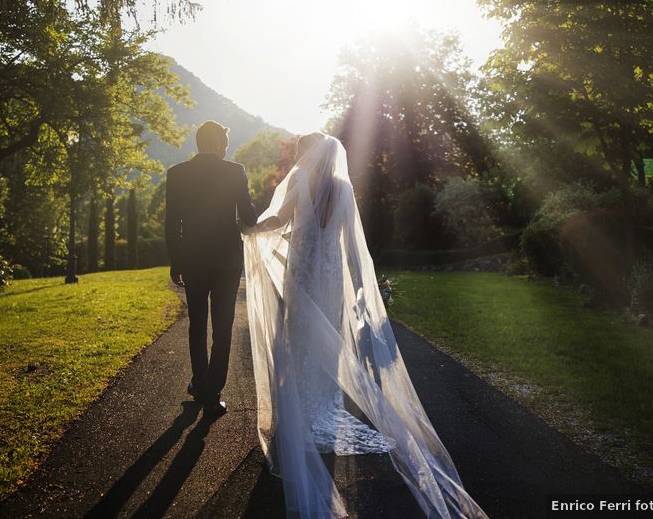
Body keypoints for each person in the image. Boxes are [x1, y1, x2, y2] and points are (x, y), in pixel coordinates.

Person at [241, 133, 489, 518]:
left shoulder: (298, 181)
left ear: (309, 154)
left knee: (294, 340)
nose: (298, 157)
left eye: (301, 152)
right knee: (327, 342)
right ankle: (317, 407)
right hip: (329, 275)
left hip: (303, 271)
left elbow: (279, 219)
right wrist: (363, 285)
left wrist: (251, 230)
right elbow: (349, 241)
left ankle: (296, 418)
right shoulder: (342, 187)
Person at [165, 120, 258, 415]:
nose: (227, 149)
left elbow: (172, 223)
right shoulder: (235, 172)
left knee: (197, 325)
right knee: (222, 326)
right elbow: (249, 216)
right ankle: (213, 391)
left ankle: (199, 384)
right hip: (227, 261)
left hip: (192, 259)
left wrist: (176, 261)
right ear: (218, 144)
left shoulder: (177, 173)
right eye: (226, 144)